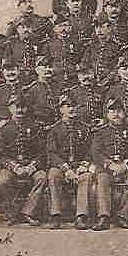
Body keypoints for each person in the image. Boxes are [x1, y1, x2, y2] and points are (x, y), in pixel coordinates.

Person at [89, 97, 128, 231]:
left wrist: (125, 165)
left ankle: (122, 216)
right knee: (102, 179)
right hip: (107, 168)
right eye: (112, 111)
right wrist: (110, 164)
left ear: (124, 113)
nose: (116, 114)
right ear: (107, 115)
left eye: (119, 111)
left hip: (126, 167)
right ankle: (104, 216)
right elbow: (96, 153)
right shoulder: (100, 132)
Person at [0, 94, 48, 226]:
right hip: (11, 167)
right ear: (9, 108)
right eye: (15, 107)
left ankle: (28, 212)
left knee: (42, 177)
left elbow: (43, 152)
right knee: (2, 181)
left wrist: (32, 166)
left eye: (22, 107)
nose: (19, 110)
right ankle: (14, 212)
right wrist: (15, 167)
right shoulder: (2, 130)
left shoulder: (36, 128)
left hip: (32, 165)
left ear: (27, 108)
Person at [43, 94, 94, 230]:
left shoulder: (85, 129)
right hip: (61, 166)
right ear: (61, 109)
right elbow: (51, 153)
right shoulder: (54, 130)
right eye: (68, 106)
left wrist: (83, 165)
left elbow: (90, 150)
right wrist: (66, 169)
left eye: (74, 106)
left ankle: (81, 216)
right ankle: (55, 215)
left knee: (87, 177)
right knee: (53, 174)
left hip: (79, 166)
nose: (72, 109)